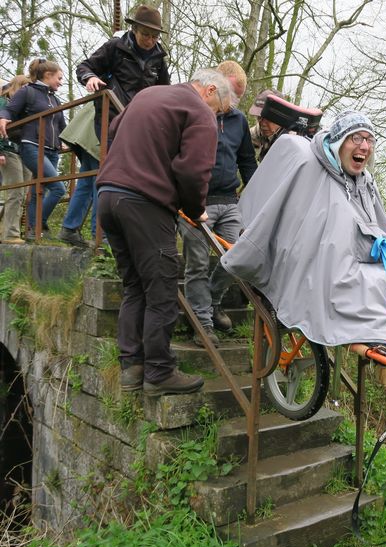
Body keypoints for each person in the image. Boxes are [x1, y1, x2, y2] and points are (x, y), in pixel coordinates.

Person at [221, 109, 386, 388]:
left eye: (369, 140)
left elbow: (381, 227)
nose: (364, 146)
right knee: (370, 289)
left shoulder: (364, 181)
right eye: (356, 138)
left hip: (360, 259)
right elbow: (291, 220)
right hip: (320, 265)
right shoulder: (312, 169)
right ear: (339, 142)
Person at [97, 69, 231, 396]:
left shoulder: (148, 94)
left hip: (108, 196)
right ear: (210, 91)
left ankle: (133, 367)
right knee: (162, 288)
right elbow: (194, 170)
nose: (215, 116)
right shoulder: (199, 111)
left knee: (135, 285)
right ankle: (159, 371)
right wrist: (195, 207)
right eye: (219, 109)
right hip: (145, 203)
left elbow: (113, 130)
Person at [180, 61, 257, 346]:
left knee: (235, 259)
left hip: (229, 200)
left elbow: (247, 160)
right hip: (196, 200)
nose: (234, 102)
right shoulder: (194, 110)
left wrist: (257, 193)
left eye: (238, 97)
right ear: (217, 84)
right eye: (233, 94)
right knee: (197, 263)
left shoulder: (238, 122)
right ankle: (202, 324)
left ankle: (211, 301)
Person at [76, 4, 170, 140]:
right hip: (111, 118)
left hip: (140, 122)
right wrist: (90, 77)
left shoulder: (159, 59)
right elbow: (84, 67)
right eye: (145, 34)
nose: (150, 41)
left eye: (155, 36)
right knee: (117, 158)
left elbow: (165, 91)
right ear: (134, 29)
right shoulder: (115, 47)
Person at [0, 59, 67, 239]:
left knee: (40, 190)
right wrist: (3, 118)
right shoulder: (27, 91)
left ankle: (31, 231)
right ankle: (38, 224)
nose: (61, 82)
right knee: (59, 189)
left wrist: (66, 140)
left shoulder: (54, 98)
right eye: (59, 78)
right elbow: (9, 110)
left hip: (52, 150)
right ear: (47, 75)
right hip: (32, 146)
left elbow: (62, 125)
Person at [58, 102, 101, 247]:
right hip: (96, 135)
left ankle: (69, 228)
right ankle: (101, 236)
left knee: (86, 184)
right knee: (101, 183)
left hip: (84, 133)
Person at [0, 76, 31, 244]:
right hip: (7, 149)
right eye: (24, 87)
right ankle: (11, 234)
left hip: (22, 151)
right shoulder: (3, 103)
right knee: (16, 192)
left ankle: (4, 229)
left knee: (22, 193)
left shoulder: (22, 106)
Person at [248, 89, 284, 161]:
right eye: (259, 117)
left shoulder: (291, 140)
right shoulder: (260, 129)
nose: (262, 123)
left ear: (280, 117)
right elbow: (242, 137)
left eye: (268, 118)